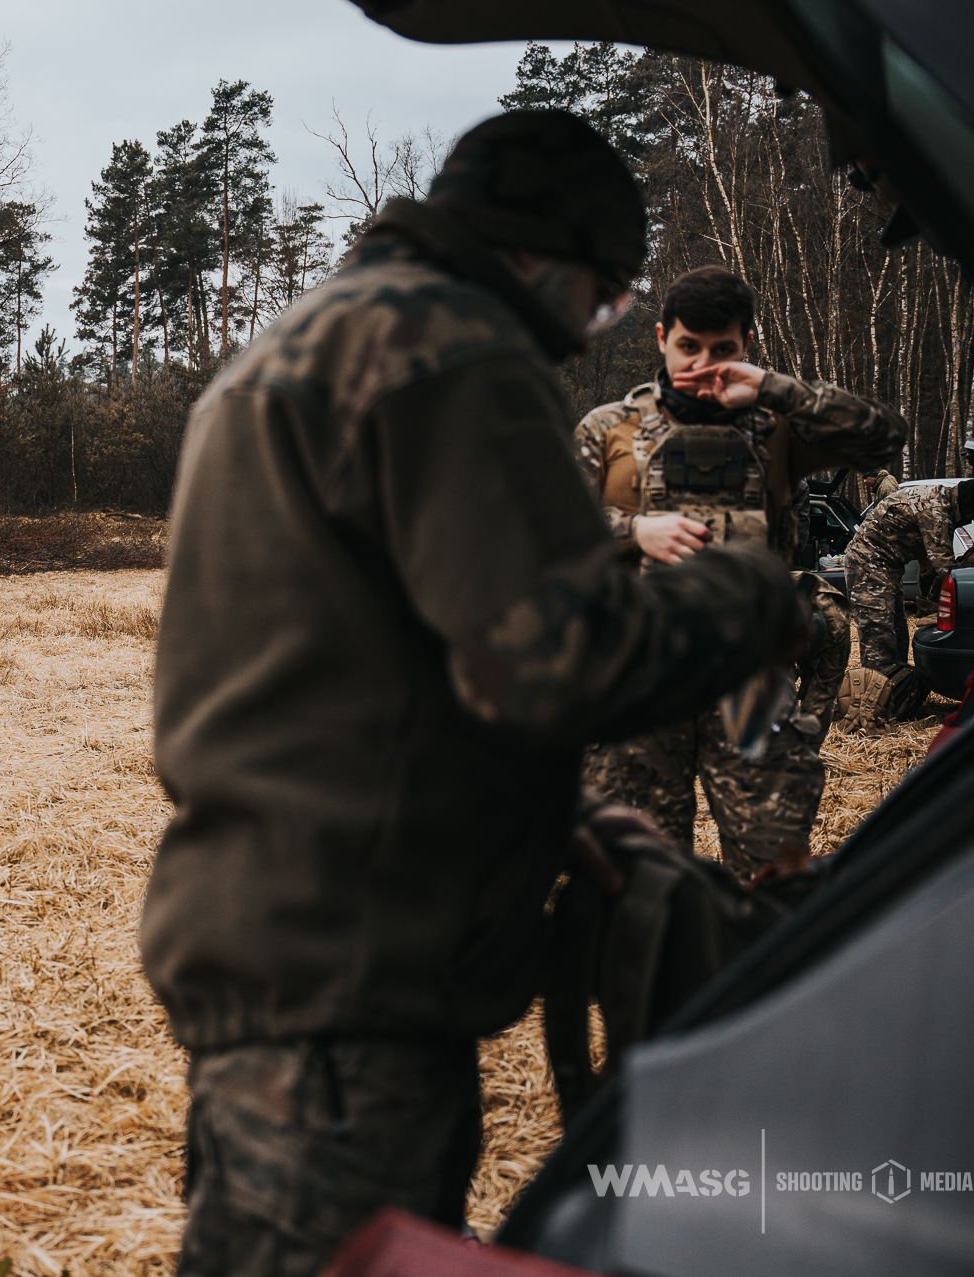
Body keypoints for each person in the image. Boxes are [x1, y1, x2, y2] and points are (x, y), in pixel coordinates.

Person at [142, 110, 810, 1276]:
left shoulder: (303, 346)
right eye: (599, 298)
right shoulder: (445, 350)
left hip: (280, 938)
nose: (583, 332)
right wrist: (750, 595)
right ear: (538, 253)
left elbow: (368, 672)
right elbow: (557, 660)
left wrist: (539, 816)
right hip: (352, 975)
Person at [573, 265, 905, 877]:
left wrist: (774, 388)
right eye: (688, 347)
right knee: (639, 881)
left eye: (722, 349)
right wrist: (633, 530)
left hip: (750, 684)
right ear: (660, 339)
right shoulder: (610, 428)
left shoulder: (774, 425)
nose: (702, 363)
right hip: (643, 684)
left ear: (746, 344)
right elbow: (550, 533)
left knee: (774, 873)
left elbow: (882, 439)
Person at [844, 479, 974, 720]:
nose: (973, 520)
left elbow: (909, 529)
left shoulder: (941, 502)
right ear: (968, 503)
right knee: (879, 637)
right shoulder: (936, 511)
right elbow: (946, 566)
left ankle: (896, 695)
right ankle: (872, 711)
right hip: (868, 565)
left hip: (885, 566)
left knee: (897, 633)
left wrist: (922, 556)